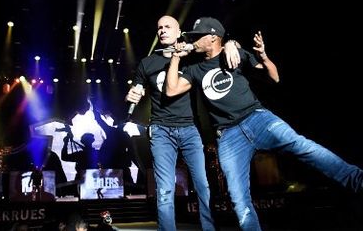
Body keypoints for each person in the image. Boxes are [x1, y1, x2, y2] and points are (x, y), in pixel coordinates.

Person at [165, 16, 363, 231]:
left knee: (301, 145)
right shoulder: (195, 69)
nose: (193, 41)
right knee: (238, 196)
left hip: (258, 118)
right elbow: (171, 90)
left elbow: (274, 78)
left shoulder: (236, 53)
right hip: (229, 136)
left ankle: (357, 180)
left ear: (213, 37)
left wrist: (263, 56)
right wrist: (176, 57)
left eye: (197, 37)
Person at [125, 15, 240, 231]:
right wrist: (131, 95)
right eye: (159, 27)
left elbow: (215, 46)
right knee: (165, 189)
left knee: (203, 185)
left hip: (190, 128)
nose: (162, 30)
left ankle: (209, 228)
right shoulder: (147, 63)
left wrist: (232, 44)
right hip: (160, 130)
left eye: (168, 27)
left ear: (179, 32)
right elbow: (136, 91)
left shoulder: (192, 59)